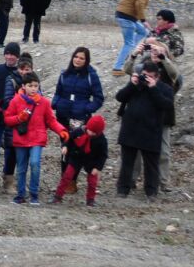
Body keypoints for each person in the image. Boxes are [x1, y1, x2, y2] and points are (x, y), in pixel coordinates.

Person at [3, 71, 68, 205]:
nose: (33, 89)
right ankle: (21, 194)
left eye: (36, 86)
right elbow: (7, 119)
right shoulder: (16, 100)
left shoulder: (44, 102)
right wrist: (19, 118)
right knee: (21, 168)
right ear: (24, 86)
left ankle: (34, 194)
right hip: (21, 139)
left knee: (34, 164)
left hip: (37, 138)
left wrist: (61, 130)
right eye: (30, 85)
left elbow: (51, 120)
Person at [114, 62, 175, 201]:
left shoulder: (164, 88)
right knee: (127, 163)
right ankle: (123, 189)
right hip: (130, 129)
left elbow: (167, 105)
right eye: (144, 75)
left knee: (151, 165)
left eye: (149, 76)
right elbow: (119, 97)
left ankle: (151, 192)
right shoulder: (136, 85)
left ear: (157, 77)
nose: (145, 78)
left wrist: (153, 88)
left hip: (151, 131)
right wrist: (132, 84)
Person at [0, 43, 25, 190]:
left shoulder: (20, 74)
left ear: (17, 57)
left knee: (10, 148)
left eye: (12, 54)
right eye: (7, 53)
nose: (9, 57)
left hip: (13, 118)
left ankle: (7, 175)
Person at [53, 114, 107, 207]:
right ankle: (58, 196)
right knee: (67, 176)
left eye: (93, 132)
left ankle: (90, 200)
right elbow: (69, 139)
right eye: (90, 130)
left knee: (92, 182)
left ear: (98, 132)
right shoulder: (79, 131)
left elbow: (103, 156)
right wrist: (65, 146)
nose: (90, 133)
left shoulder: (102, 140)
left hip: (92, 161)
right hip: (77, 156)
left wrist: (98, 167)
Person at [112, 0, 155, 74]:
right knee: (129, 43)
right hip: (127, 18)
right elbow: (139, 4)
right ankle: (117, 68)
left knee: (143, 31)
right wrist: (143, 20)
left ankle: (130, 51)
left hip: (124, 15)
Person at [51, 46, 104, 126]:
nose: (77, 60)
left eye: (81, 58)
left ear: (86, 61)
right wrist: (55, 103)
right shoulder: (64, 74)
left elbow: (99, 98)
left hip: (81, 117)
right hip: (62, 115)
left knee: (79, 138)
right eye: (76, 57)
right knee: (64, 138)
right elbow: (58, 92)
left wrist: (87, 109)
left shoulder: (91, 76)